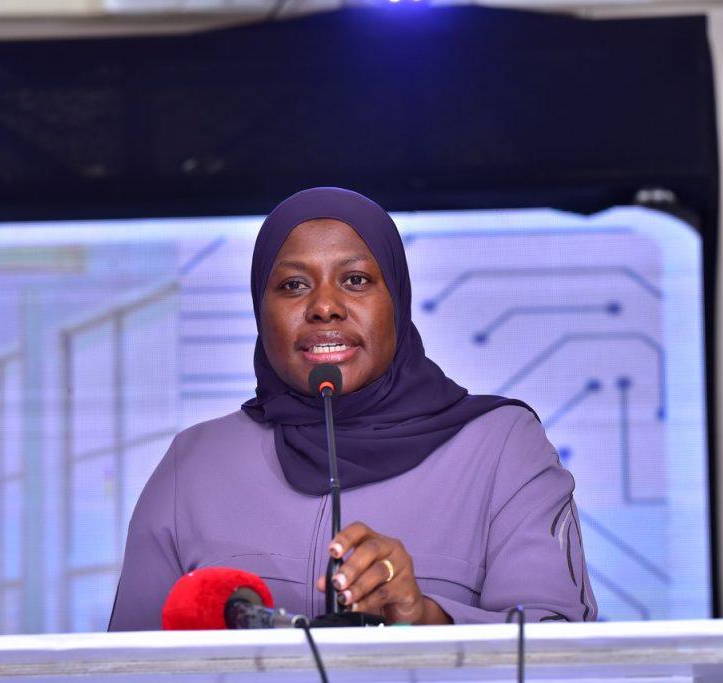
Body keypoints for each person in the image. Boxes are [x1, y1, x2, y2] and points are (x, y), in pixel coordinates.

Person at [109, 187, 597, 629]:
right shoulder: (194, 462)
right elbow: (120, 666)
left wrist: (426, 617)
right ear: (261, 309)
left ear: (397, 302)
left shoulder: (500, 446)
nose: (325, 306)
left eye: (357, 280)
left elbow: (561, 646)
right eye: (294, 285)